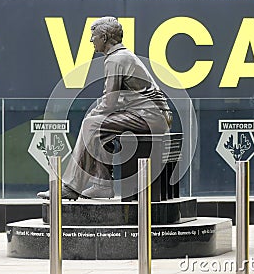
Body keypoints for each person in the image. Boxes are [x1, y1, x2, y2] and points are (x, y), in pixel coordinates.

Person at [38, 16, 172, 200]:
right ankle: (102, 185)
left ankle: (71, 186)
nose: (91, 40)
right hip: (151, 115)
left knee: (91, 124)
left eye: (94, 36)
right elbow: (114, 101)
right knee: (98, 127)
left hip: (150, 116)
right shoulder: (120, 56)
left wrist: (92, 116)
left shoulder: (116, 59)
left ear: (105, 37)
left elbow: (109, 102)